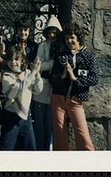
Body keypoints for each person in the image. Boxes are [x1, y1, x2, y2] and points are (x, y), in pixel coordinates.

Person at [49, 22, 99, 151]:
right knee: (59, 136)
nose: (69, 41)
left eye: (72, 37)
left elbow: (94, 79)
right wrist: (63, 76)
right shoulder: (61, 56)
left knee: (83, 136)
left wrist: (75, 79)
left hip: (75, 101)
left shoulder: (89, 57)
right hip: (58, 99)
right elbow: (52, 79)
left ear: (78, 37)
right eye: (66, 38)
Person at [0, 46, 43, 151]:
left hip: (25, 117)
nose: (13, 62)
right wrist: (32, 74)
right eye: (10, 59)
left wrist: (37, 74)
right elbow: (20, 89)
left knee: (30, 148)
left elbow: (38, 89)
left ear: (22, 60)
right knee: (6, 148)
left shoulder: (27, 73)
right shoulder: (6, 76)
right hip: (11, 117)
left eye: (16, 59)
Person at [32, 15, 63, 151]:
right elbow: (38, 65)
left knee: (51, 123)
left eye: (54, 32)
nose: (52, 35)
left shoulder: (62, 47)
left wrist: (49, 64)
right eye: (49, 32)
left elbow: (62, 64)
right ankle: (39, 149)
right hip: (42, 87)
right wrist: (52, 63)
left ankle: (49, 148)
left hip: (55, 88)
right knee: (39, 123)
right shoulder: (43, 45)